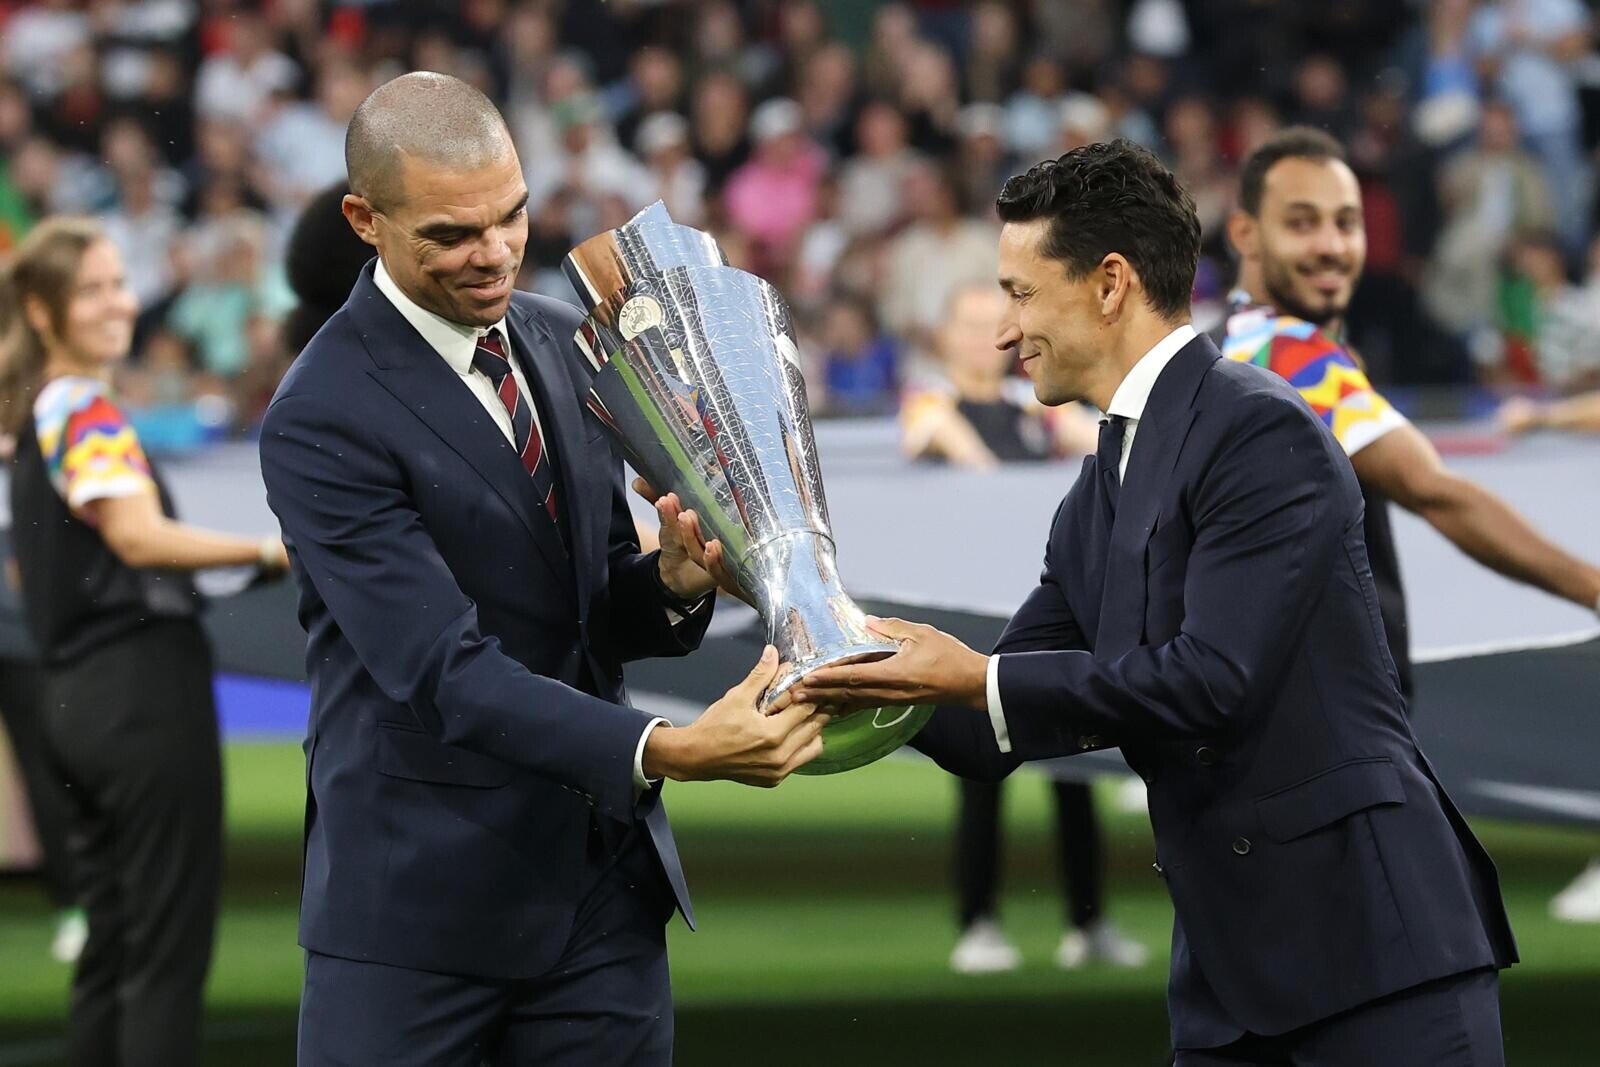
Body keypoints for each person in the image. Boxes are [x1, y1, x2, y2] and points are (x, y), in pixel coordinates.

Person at [787, 141, 1517, 1063]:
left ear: (1110, 284)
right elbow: (986, 730)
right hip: (1229, 984)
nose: (1005, 332)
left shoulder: (1260, 428)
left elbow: (1211, 681)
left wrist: (974, 677)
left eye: (1020, 293)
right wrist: (826, 636)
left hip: (1378, 959)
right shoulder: (1099, 488)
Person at [259, 73, 824, 1066]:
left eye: (511, 216)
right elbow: (445, 673)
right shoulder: (321, 412)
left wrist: (673, 582)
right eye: (451, 234)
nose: (494, 252)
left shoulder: (564, 340)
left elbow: (590, 600)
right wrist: (670, 748)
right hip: (417, 912)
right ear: (364, 220)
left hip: (602, 895)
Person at [0, 216, 290, 1067]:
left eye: (119, 283)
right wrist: (266, 550)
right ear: (44, 312)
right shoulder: (81, 404)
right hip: (139, 695)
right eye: (91, 289)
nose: (118, 303)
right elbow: (135, 535)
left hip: (72, 697)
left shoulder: (37, 412)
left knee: (113, 945)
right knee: (163, 953)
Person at [1217, 126, 1600, 701]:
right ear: (1244, 233)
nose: (1331, 245)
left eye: (1346, 222)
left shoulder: (1228, 343)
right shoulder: (1287, 355)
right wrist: (1593, 588)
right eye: (1301, 223)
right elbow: (1435, 492)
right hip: (1327, 715)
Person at [903, 282, 1141, 973]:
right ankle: (978, 922)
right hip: (971, 619)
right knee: (980, 773)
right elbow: (936, 441)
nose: (984, 336)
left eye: (993, 322)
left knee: (1076, 770)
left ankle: (1087, 922)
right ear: (945, 336)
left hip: (1043, 613)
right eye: (969, 323)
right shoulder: (931, 404)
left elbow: (1106, 440)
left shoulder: (1034, 408)